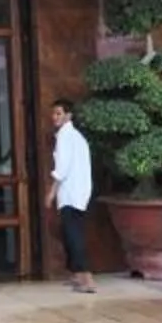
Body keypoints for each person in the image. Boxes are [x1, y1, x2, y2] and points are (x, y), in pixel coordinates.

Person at [47, 100, 95, 292]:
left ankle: (87, 279)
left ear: (69, 115)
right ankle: (76, 275)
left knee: (74, 235)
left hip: (71, 193)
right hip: (79, 192)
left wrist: (51, 193)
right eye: (54, 114)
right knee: (69, 233)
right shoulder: (75, 136)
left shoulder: (66, 137)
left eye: (59, 114)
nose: (55, 117)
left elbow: (62, 169)